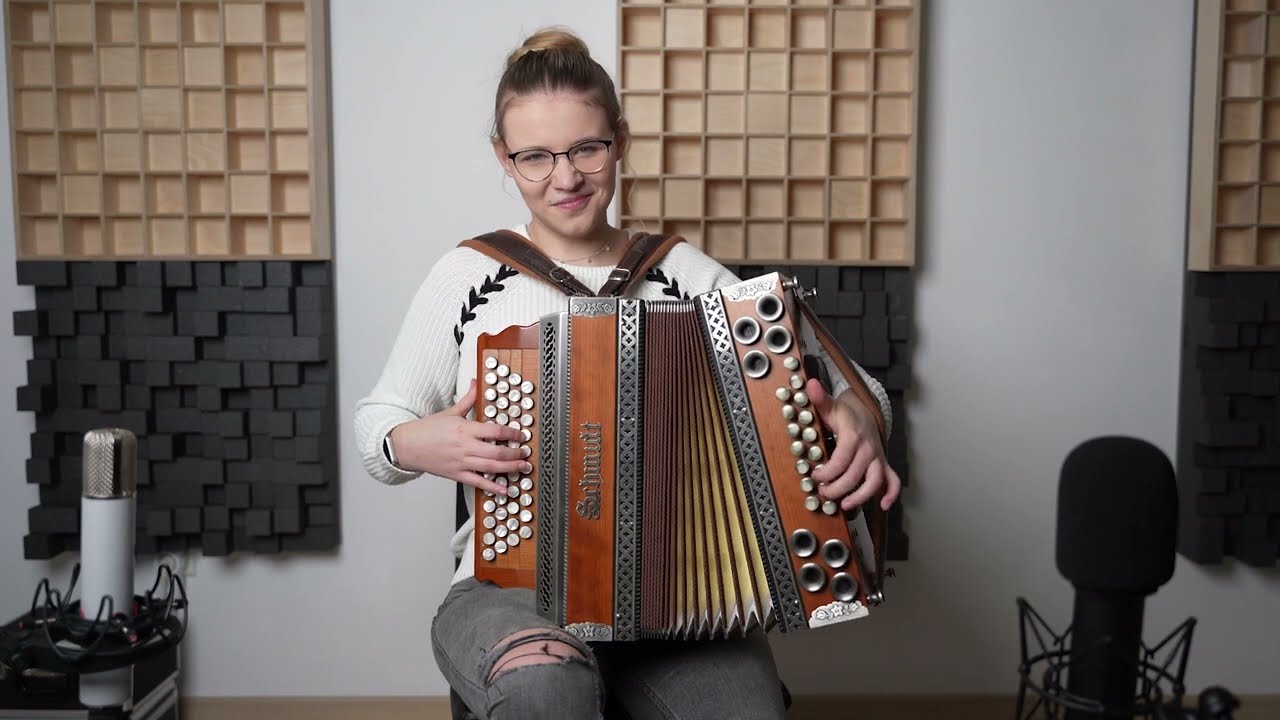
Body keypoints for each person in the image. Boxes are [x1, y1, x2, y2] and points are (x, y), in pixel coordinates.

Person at [354, 27, 902, 720]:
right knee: (544, 691)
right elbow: (377, 421)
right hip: (513, 591)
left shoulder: (681, 274)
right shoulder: (468, 275)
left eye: (587, 147)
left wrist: (859, 417)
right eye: (534, 157)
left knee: (746, 712)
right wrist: (412, 443)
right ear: (503, 156)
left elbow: (850, 389)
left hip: (677, 591)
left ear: (621, 138)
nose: (565, 177)